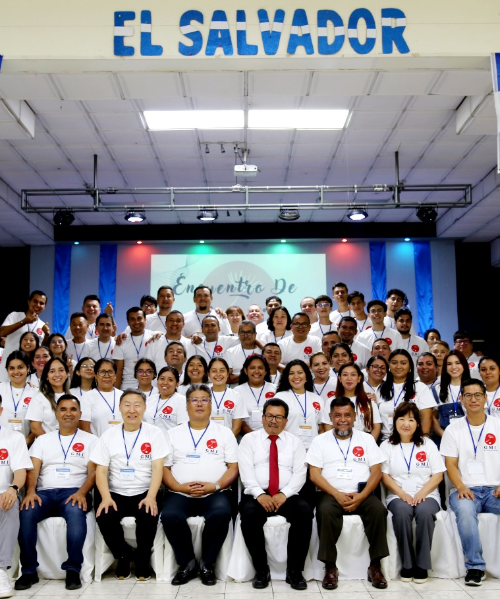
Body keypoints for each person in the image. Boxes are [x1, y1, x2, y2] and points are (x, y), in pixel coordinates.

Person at [16, 395, 98, 591]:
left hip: (74, 492)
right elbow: (33, 470)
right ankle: (28, 571)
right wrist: (30, 492)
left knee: (75, 512)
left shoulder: (91, 440)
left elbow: (94, 472)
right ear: (56, 413)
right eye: (63, 409)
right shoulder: (43, 440)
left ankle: (73, 569)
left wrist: (82, 492)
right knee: (26, 512)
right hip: (44, 493)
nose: (68, 413)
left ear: (80, 413)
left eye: (73, 409)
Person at [308, 397, 389, 590]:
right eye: (337, 415)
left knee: (378, 510)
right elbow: (314, 474)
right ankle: (330, 567)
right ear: (330, 417)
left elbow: (376, 472)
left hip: (362, 493)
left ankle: (375, 566)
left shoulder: (367, 439)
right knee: (325, 511)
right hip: (330, 493)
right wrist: (336, 494)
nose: (342, 420)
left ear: (354, 417)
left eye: (347, 415)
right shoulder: (320, 441)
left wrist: (362, 496)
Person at [161, 384, 238, 586]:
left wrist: (216, 486)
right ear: (186, 405)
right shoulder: (172, 434)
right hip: (180, 493)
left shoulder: (224, 433)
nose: (200, 404)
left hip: (215, 492)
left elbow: (233, 467)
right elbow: (164, 468)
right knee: (169, 515)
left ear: (211, 405)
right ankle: (187, 563)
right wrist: (178, 487)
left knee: (221, 513)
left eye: (204, 400)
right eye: (194, 400)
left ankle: (207, 564)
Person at [91, 389, 169, 581]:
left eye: (137, 405)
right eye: (127, 405)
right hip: (115, 492)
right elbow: (101, 471)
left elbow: (158, 468)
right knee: (104, 516)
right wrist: (106, 497)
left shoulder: (155, 433)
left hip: (144, 491)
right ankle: (124, 556)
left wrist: (151, 496)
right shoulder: (108, 435)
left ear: (144, 408)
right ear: (120, 407)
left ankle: (142, 558)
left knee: (148, 515)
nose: (132, 410)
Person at [238, 398, 313, 590]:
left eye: (279, 417)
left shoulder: (295, 442)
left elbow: (300, 474)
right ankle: (261, 571)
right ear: (263, 418)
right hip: (257, 493)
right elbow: (246, 472)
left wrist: (284, 494)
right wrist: (259, 494)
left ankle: (295, 571)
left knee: (304, 513)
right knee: (249, 515)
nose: (273, 421)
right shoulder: (249, 440)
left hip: (287, 494)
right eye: (270, 416)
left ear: (286, 420)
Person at [440, 378, 500, 586]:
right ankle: (475, 567)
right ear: (462, 399)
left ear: (485, 398)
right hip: (465, 490)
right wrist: (461, 487)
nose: (473, 399)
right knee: (465, 511)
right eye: (468, 395)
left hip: (495, 490)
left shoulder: (498, 425)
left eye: (477, 395)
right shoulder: (453, 429)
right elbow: (450, 464)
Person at [381, 402, 445, 583]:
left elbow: (438, 475)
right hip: (398, 495)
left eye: (411, 420)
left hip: (427, 494)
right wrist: (402, 494)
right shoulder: (386, 446)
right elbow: (384, 475)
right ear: (395, 421)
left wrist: (422, 493)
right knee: (402, 513)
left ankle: (422, 565)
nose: (406, 424)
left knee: (424, 513)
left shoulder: (428, 444)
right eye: (401, 419)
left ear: (417, 423)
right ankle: (407, 565)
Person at [0, 394, 32, 599]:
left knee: (9, 505)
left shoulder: (14, 438)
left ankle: (1, 570)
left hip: (4, 493)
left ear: (0, 411)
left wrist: (13, 488)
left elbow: (20, 472)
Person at [377, 349, 436, 441]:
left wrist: (423, 440)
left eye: (403, 363)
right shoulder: (381, 388)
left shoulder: (420, 387)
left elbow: (426, 418)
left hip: (413, 441)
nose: (398, 366)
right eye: (394, 363)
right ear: (389, 365)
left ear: (410, 367)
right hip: (386, 441)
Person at [274, 360, 326, 450]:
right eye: (291, 373)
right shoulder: (280, 397)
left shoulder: (317, 399)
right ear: (287, 377)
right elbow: (276, 425)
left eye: (300, 372)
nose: (296, 376)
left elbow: (321, 428)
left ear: (307, 376)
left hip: (313, 449)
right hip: (288, 448)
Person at [0, 291, 48, 383]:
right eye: (35, 301)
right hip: (7, 368)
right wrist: (23, 322)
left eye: (41, 303)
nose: (38, 305)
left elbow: (41, 350)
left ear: (44, 307)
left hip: (29, 373)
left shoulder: (42, 326)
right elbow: (1, 332)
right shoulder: (15, 316)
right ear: (29, 302)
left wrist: (47, 335)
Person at [328, 362, 381, 439]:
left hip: (364, 441)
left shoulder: (369, 400)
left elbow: (376, 426)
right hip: (338, 440)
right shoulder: (331, 401)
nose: (349, 378)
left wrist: (369, 444)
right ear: (339, 378)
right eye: (345, 375)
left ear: (359, 378)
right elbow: (328, 426)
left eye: (353, 375)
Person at [26, 357, 71, 436]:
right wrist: (52, 442)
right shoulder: (39, 398)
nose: (57, 374)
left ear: (66, 373)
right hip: (46, 442)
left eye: (61, 370)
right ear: (46, 376)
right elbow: (35, 428)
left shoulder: (74, 398)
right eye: (52, 371)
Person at [79, 358, 123, 437]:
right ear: (95, 375)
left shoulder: (123, 396)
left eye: (110, 372)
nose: (106, 375)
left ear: (115, 375)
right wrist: (99, 443)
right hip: (97, 443)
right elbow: (85, 430)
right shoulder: (87, 397)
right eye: (102, 372)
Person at [432, 350, 471, 439]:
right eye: (449, 364)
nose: (454, 367)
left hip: (470, 438)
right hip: (445, 438)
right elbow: (433, 418)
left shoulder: (473, 387)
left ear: (464, 365)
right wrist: (445, 436)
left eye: (458, 363)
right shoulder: (437, 389)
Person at [0, 351, 37, 441]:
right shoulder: (1, 388)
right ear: (7, 370)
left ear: (28, 368)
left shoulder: (36, 393)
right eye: (12, 368)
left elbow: (38, 423)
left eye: (20, 367)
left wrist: (25, 443)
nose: (16, 372)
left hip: (26, 444)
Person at [114, 308, 155, 389]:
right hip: (127, 388)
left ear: (145, 320)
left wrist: (160, 334)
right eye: (132, 319)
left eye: (139, 318)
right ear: (128, 322)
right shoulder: (121, 341)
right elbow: (118, 371)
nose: (136, 322)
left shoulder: (154, 337)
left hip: (150, 388)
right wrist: (116, 393)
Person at [143, 366, 188, 437]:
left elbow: (182, 429)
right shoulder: (149, 400)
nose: (165, 382)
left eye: (170, 380)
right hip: (148, 441)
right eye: (162, 379)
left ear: (177, 383)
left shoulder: (182, 401)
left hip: (170, 442)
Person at [238, 355, 276, 434]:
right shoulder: (237, 391)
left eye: (260, 368)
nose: (256, 371)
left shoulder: (275, 389)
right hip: (247, 436)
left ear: (266, 371)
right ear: (246, 371)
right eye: (252, 368)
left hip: (272, 434)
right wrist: (253, 436)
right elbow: (239, 420)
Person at [207, 358, 246, 436]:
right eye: (214, 371)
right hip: (205, 440)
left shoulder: (236, 396)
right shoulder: (202, 395)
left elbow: (237, 428)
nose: (218, 374)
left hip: (228, 441)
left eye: (222, 371)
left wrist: (227, 442)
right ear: (208, 374)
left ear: (228, 374)